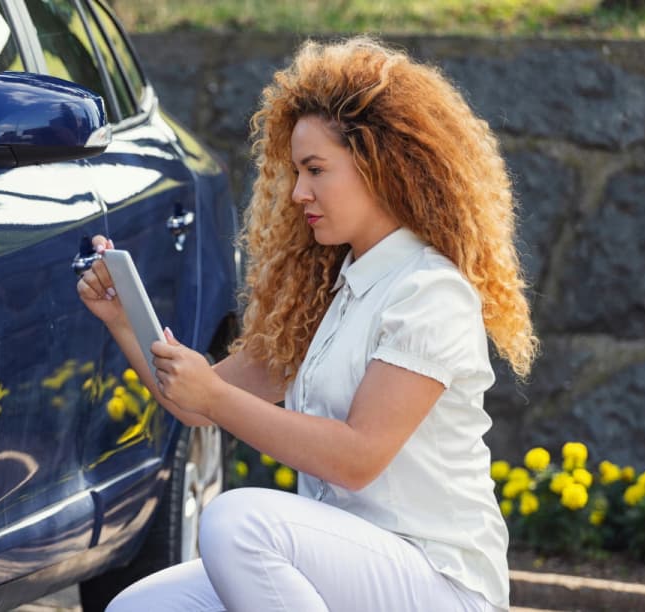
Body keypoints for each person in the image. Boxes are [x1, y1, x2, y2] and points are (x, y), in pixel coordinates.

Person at [76, 36, 537, 612]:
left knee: (237, 523)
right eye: (296, 171)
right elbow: (197, 402)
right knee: (136, 608)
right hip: (339, 569)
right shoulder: (327, 292)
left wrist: (214, 396)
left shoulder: (430, 291)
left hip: (438, 582)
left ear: (381, 164)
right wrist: (123, 321)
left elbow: (356, 458)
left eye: (316, 170)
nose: (298, 193)